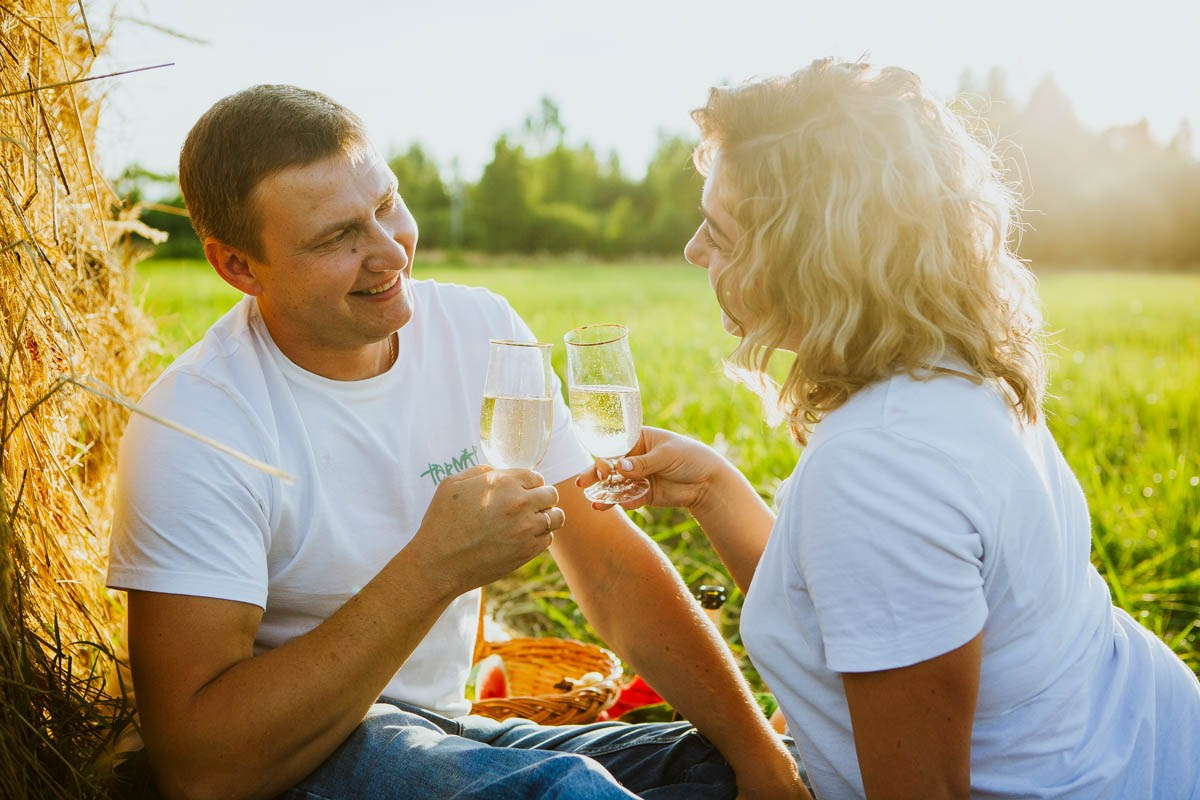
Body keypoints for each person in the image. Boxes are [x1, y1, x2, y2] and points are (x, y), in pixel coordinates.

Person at [105, 84, 806, 800]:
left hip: (451, 729)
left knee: (726, 769)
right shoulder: (196, 424)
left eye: (385, 207)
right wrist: (431, 570)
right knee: (568, 793)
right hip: (303, 757)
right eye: (337, 238)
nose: (389, 253)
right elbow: (200, 768)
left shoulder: (478, 331)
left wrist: (760, 756)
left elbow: (609, 572)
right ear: (238, 268)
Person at [581, 59, 1200, 799]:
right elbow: (866, 611)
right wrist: (715, 490)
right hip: (1143, 742)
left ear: (809, 260)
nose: (693, 251)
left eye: (721, 233)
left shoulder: (880, 464)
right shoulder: (949, 369)